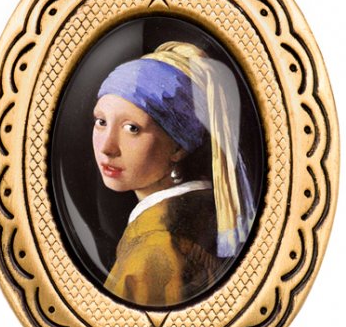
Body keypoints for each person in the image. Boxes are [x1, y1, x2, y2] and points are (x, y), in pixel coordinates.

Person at [92, 41, 254, 308]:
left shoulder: (154, 246)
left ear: (178, 146)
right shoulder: (204, 209)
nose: (107, 147)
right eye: (101, 122)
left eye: (132, 128)